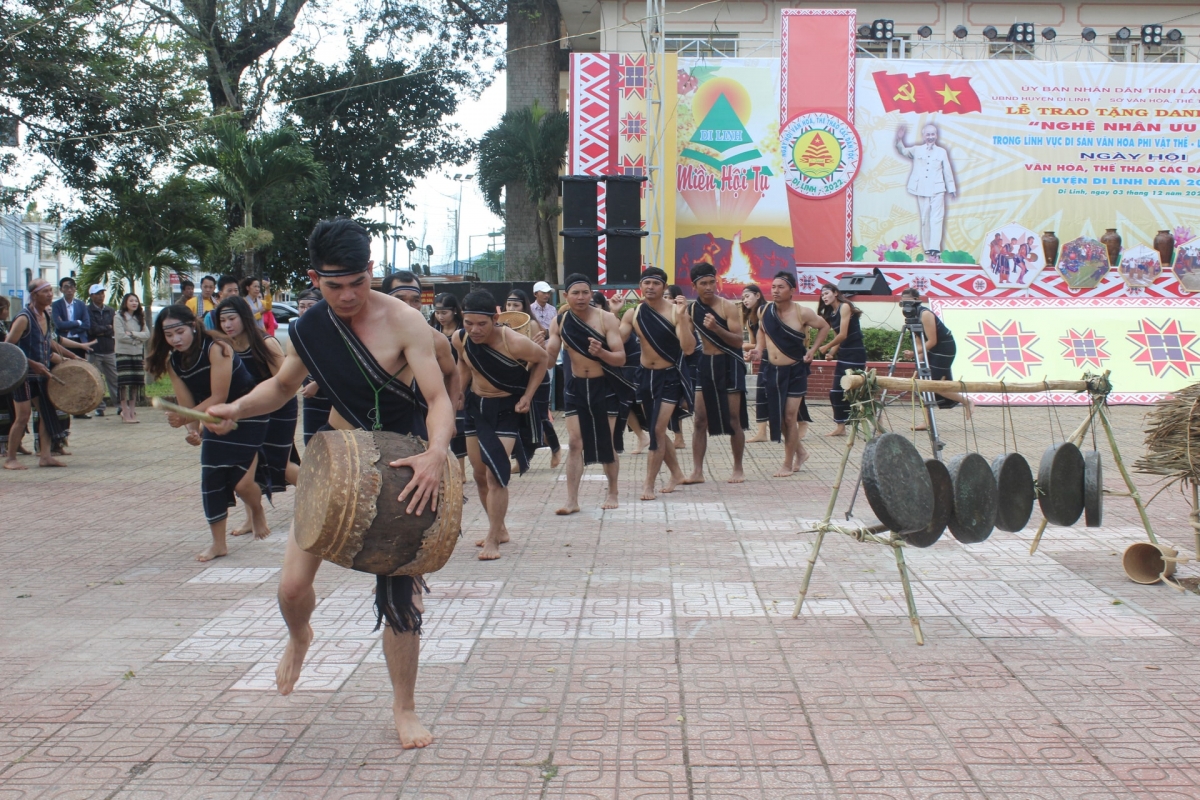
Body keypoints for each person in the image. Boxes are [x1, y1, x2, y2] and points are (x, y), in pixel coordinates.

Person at [205, 218, 453, 749]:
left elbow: (437, 398)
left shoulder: (405, 320)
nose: (346, 296)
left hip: (401, 466)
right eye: (332, 285)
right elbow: (280, 387)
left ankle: (404, 709)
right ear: (315, 278)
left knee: (400, 599)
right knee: (292, 588)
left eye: (357, 283)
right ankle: (300, 636)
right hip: (338, 462)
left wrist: (436, 454)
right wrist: (234, 408)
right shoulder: (310, 328)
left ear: (371, 272)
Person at [147, 305, 272, 557]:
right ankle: (219, 544)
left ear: (193, 325)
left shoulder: (217, 348)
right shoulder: (174, 362)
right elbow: (187, 403)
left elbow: (219, 396)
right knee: (211, 478)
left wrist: (184, 418)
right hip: (213, 418)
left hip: (248, 412)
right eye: (169, 336)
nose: (175, 339)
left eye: (180, 332)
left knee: (240, 482)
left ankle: (257, 510)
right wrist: (193, 429)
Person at [455, 290, 549, 560]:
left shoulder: (514, 342)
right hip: (476, 408)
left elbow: (542, 360)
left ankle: (493, 539)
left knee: (496, 474)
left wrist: (528, 396)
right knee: (478, 474)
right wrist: (459, 393)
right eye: (468, 323)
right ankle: (500, 529)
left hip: (506, 409)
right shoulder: (460, 339)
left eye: (481, 324)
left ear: (495, 319)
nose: (474, 330)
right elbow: (464, 364)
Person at [215, 295, 299, 535]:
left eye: (232, 318)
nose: (227, 325)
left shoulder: (266, 343)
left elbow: (286, 383)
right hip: (247, 412)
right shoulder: (224, 348)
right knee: (244, 467)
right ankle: (252, 517)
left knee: (279, 464)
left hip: (278, 408)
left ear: (245, 318)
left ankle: (323, 499)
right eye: (223, 320)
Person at [545, 274, 626, 514]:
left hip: (605, 386)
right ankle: (572, 500)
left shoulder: (606, 318)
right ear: (566, 296)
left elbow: (620, 358)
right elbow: (550, 360)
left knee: (606, 442)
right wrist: (538, 351)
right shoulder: (559, 322)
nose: (580, 297)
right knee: (575, 442)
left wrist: (601, 353)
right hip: (576, 386)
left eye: (585, 293)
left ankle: (613, 491)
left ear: (591, 294)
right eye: (575, 293)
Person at [619, 267, 695, 500]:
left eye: (655, 283)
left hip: (670, 377)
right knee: (657, 429)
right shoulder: (633, 314)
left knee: (657, 430)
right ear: (640, 286)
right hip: (645, 377)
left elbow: (688, 347)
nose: (650, 287)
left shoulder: (676, 312)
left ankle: (648, 485)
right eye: (646, 283)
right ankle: (677, 473)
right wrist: (611, 316)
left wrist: (682, 318)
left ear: (664, 287)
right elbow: (616, 341)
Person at [750, 272, 829, 478]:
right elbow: (761, 330)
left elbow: (824, 326)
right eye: (773, 287)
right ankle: (801, 452)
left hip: (795, 370)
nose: (775, 291)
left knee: (789, 416)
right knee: (779, 417)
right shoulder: (764, 310)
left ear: (792, 290)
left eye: (780, 287)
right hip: (772, 371)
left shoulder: (803, 313)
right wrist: (759, 349)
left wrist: (813, 349)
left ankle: (787, 463)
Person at [4, 279, 87, 469]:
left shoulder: (46, 317)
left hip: (42, 374)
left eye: (51, 290)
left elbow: (49, 342)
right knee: (23, 416)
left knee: (47, 414)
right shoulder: (24, 318)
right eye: (46, 291)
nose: (50, 294)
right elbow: (8, 349)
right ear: (34, 295)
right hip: (23, 376)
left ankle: (46, 456)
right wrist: (32, 363)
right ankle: (10, 459)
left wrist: (73, 356)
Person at [380, 271, 463, 444]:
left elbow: (452, 374)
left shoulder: (437, 341)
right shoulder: (363, 335)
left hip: (419, 427)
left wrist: (450, 419)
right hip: (368, 425)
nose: (409, 306)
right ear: (383, 299)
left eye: (415, 300)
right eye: (400, 299)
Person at [685, 262, 747, 484]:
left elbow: (739, 341)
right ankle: (697, 471)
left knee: (733, 419)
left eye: (712, 282)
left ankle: (738, 468)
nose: (709, 287)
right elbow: (689, 345)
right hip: (706, 364)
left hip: (729, 363)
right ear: (695, 286)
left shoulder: (728, 307)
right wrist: (682, 322)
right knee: (700, 420)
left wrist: (716, 329)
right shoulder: (691, 310)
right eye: (704, 283)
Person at [898, 287, 973, 430]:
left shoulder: (925, 314)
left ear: (916, 301)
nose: (906, 305)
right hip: (930, 347)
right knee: (922, 383)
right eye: (903, 302)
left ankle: (967, 402)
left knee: (934, 384)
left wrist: (914, 353)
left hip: (944, 347)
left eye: (909, 301)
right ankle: (927, 421)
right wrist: (918, 361)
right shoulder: (910, 317)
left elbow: (932, 341)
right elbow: (918, 341)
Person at [504, 288, 560, 467]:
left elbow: (542, 358)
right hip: (517, 378)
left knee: (541, 418)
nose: (512, 307)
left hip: (537, 377)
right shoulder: (502, 326)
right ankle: (523, 458)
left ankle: (553, 449)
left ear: (524, 306)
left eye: (516, 304)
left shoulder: (533, 325)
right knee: (520, 419)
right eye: (509, 304)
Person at [895, 123, 956, 259]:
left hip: (937, 189)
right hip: (921, 188)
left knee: (937, 218)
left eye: (933, 134)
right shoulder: (916, 150)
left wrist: (951, 188)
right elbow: (903, 151)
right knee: (925, 219)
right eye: (928, 134)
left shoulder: (941, 152)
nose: (930, 137)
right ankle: (928, 248)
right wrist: (899, 140)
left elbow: (947, 170)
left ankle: (935, 247)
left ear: (936, 135)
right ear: (923, 136)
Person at [816, 284, 868, 437]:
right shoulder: (832, 314)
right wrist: (831, 353)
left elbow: (843, 334)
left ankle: (877, 422)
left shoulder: (845, 307)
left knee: (858, 391)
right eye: (822, 295)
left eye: (827, 293)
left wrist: (826, 347)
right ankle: (841, 426)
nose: (824, 297)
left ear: (835, 293)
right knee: (836, 392)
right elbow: (838, 339)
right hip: (844, 354)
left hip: (855, 354)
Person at [430, 292, 468, 475]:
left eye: (444, 312)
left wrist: (461, 389)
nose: (440, 316)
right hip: (437, 383)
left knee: (458, 428)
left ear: (454, 311)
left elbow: (465, 364)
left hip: (460, 383)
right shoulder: (432, 331)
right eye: (437, 312)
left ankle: (460, 471)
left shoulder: (463, 333)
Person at [294, 288, 332, 445]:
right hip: (311, 398)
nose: (305, 310)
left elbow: (339, 366)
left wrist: (317, 384)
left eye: (310, 306)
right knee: (310, 444)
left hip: (333, 398)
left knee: (333, 445)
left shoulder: (332, 331)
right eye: (302, 306)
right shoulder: (297, 332)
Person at [114, 292, 151, 423]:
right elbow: (120, 336)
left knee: (136, 383)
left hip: (137, 353)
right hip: (123, 353)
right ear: (125, 302)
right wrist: (137, 338)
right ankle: (124, 411)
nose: (134, 303)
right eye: (131, 301)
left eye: (136, 300)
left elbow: (147, 334)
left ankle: (132, 411)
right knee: (125, 384)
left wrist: (132, 334)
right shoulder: (119, 317)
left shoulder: (140, 317)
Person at [665, 284, 692, 451]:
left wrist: (682, 315)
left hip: (686, 362)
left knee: (682, 402)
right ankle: (677, 436)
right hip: (668, 362)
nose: (666, 300)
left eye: (669, 297)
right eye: (665, 297)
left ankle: (680, 436)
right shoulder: (656, 314)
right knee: (672, 403)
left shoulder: (683, 315)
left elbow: (689, 342)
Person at [742, 284, 770, 443]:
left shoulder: (767, 311)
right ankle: (762, 433)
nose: (745, 300)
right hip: (764, 359)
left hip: (776, 359)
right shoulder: (749, 319)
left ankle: (798, 425)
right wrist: (748, 352)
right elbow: (755, 344)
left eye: (747, 296)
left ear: (758, 295)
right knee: (761, 393)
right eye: (743, 298)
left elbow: (768, 341)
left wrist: (744, 346)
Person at [86, 284, 119, 417]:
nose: (101, 296)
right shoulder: (87, 310)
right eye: (98, 293)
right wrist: (106, 328)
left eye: (102, 293)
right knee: (96, 381)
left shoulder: (110, 310)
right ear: (91, 296)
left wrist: (104, 330)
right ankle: (99, 407)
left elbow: (113, 328)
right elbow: (92, 329)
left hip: (109, 349)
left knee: (114, 379)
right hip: (95, 350)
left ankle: (120, 405)